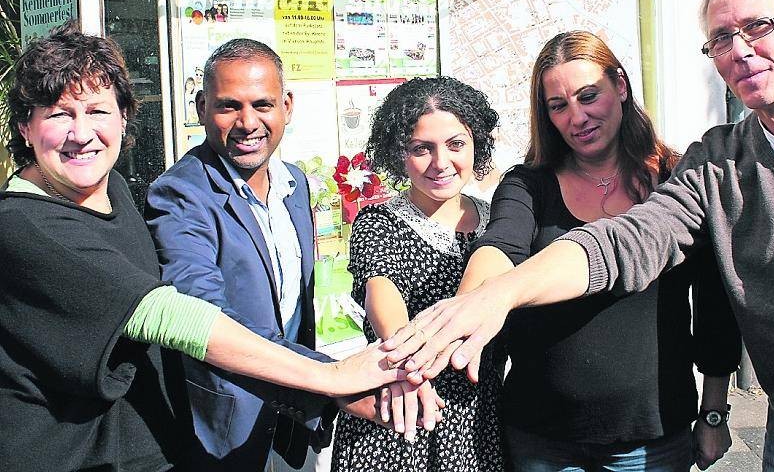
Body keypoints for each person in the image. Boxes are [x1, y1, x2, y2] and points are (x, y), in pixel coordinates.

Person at [385, 0, 774, 472]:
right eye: (722, 39)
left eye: (758, 26)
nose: (741, 50)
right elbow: (625, 242)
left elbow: (711, 310)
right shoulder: (715, 162)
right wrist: (490, 297)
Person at [0, 24, 404, 471]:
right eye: (59, 114)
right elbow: (176, 315)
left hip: (181, 441)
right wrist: (331, 377)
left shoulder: (110, 189)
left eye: (98, 110)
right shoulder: (26, 226)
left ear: (123, 118)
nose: (82, 133)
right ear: (25, 126)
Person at [454, 31, 739, 471]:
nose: (578, 117)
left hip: (651, 440)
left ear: (620, 87)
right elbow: (499, 248)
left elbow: (714, 306)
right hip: (540, 439)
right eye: (558, 105)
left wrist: (714, 411)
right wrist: (464, 311)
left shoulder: (678, 179)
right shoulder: (529, 183)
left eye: (589, 96)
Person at [145, 38, 427, 471]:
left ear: (287, 106)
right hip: (224, 433)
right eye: (228, 106)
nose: (247, 122)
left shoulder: (293, 183)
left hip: (292, 428)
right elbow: (204, 317)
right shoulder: (180, 195)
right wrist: (333, 381)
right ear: (201, 107)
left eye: (262, 104)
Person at [330, 76, 504, 471]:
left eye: (456, 144)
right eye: (421, 149)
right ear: (398, 153)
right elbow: (381, 292)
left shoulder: (499, 223)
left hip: (478, 424)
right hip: (399, 415)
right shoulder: (379, 221)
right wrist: (411, 367)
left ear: (477, 144)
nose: (441, 163)